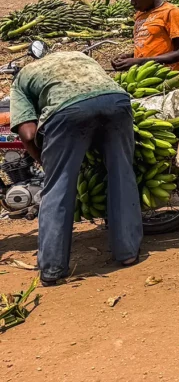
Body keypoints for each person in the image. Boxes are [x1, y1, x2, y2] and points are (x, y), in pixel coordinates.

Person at [10, 52, 142, 285]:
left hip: (68, 111)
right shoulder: (79, 56)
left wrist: (43, 160)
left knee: (57, 187)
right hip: (116, 102)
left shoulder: (21, 79)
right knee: (122, 174)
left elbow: (28, 134)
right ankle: (128, 252)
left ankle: (52, 269)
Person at [112, 0, 179, 72]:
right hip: (142, 74)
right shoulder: (140, 14)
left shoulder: (171, 12)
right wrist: (130, 57)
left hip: (164, 75)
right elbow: (151, 49)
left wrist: (139, 62)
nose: (132, 3)